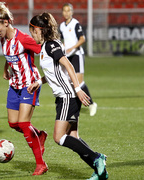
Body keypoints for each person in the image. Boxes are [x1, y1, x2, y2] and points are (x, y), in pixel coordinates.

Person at [27, 13, 108, 180]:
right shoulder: (48, 46)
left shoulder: (50, 46)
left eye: (32, 31)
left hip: (67, 96)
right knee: (73, 138)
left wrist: (77, 89)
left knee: (59, 137)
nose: (31, 34)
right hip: (66, 96)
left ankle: (97, 158)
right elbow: (56, 72)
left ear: (38, 30)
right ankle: (101, 172)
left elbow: (68, 65)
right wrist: (40, 81)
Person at [0, 2, 48, 176]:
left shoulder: (23, 39)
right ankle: (39, 135)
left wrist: (44, 78)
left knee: (23, 123)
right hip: (14, 85)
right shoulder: (2, 38)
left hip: (29, 85)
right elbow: (11, 55)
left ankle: (41, 164)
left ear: (6, 23)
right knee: (14, 123)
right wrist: (6, 68)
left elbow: (44, 52)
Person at [59, 3, 97, 116]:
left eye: (68, 11)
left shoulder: (75, 24)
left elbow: (82, 39)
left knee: (79, 83)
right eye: (64, 11)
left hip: (77, 55)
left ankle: (91, 104)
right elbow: (63, 40)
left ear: (72, 12)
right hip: (68, 56)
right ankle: (75, 105)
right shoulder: (61, 26)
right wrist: (64, 48)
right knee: (70, 81)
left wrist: (72, 48)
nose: (66, 13)